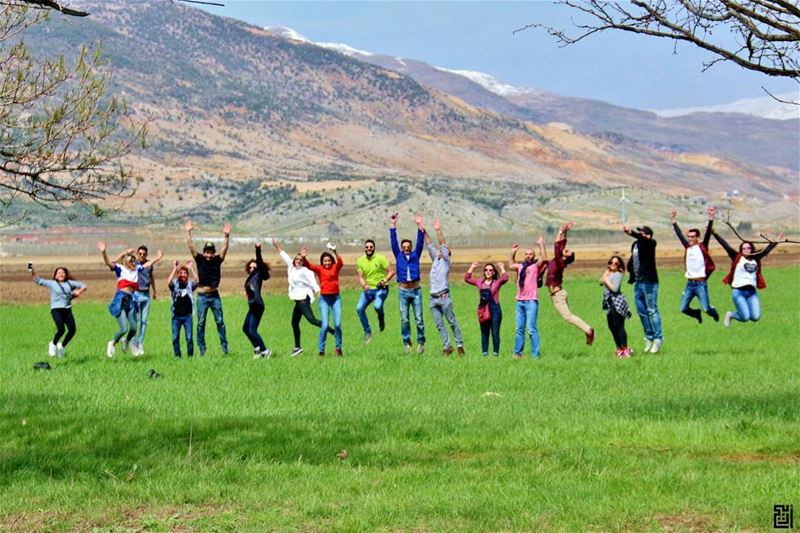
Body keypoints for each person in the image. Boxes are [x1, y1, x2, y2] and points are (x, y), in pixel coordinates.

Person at [98, 241, 163, 358]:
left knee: (133, 328)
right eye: (131, 261)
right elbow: (109, 262)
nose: (133, 263)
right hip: (120, 301)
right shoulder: (120, 269)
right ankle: (112, 343)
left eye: (134, 261)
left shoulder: (136, 270)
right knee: (124, 328)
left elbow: (148, 265)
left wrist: (158, 257)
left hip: (131, 301)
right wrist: (104, 252)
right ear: (126, 262)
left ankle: (126, 341)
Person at [273, 238, 333, 357]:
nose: (299, 261)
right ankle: (297, 347)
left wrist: (318, 291)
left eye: (301, 260)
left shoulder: (305, 270)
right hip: (297, 300)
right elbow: (284, 256)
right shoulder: (291, 267)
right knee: (294, 322)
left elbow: (313, 282)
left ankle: (333, 331)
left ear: (303, 262)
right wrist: (277, 245)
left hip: (303, 299)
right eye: (297, 259)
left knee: (312, 320)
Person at [712, 230, 782, 327]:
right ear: (741, 250)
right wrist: (715, 233)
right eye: (744, 248)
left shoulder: (755, 258)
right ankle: (731, 315)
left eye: (748, 248)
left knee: (755, 317)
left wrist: (775, 241)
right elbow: (725, 246)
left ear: (751, 249)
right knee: (745, 317)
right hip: (739, 292)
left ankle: (739, 314)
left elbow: (766, 251)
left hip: (752, 292)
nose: (746, 250)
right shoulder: (737, 257)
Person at [543, 222, 594, 346]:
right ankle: (587, 330)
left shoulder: (560, 262)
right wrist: (565, 231)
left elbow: (556, 246)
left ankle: (588, 330)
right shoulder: (558, 260)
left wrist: (560, 231)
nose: (566, 250)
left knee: (568, 317)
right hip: (558, 293)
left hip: (558, 295)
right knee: (567, 316)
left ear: (566, 258)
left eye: (568, 252)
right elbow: (560, 245)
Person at [186, 219, 230, 356]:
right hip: (202, 297)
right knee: (200, 323)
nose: (209, 255)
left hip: (214, 295)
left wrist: (226, 236)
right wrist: (188, 232)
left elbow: (224, 249)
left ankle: (224, 346)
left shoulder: (217, 260)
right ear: (204, 252)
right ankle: (202, 349)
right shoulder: (199, 259)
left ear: (213, 253)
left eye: (211, 252)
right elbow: (191, 247)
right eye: (207, 252)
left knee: (220, 321)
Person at [671, 207, 719, 323]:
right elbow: (679, 234)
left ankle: (714, 312)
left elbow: (708, 234)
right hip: (689, 284)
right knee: (683, 308)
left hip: (700, 284)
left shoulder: (702, 246)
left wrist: (711, 217)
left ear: (698, 237)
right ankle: (696, 313)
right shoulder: (687, 247)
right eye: (689, 237)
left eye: (692, 237)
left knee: (706, 308)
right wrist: (673, 220)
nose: (690, 239)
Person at [425, 218, 465, 356]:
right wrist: (423, 230)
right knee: (439, 325)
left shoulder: (446, 262)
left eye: (445, 251)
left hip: (443, 297)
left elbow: (442, 243)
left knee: (452, 321)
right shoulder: (435, 260)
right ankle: (447, 346)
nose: (442, 251)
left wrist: (438, 230)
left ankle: (459, 345)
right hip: (433, 298)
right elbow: (430, 245)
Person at [30, 264, 88, 358]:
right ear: (55, 275)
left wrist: (79, 291)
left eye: (63, 272)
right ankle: (53, 344)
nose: (61, 274)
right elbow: (37, 280)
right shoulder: (52, 283)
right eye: (59, 273)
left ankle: (61, 346)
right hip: (56, 310)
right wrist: (32, 271)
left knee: (72, 330)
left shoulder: (69, 283)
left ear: (65, 275)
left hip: (67, 309)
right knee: (61, 329)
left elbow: (84, 285)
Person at [389, 212, 426, 354]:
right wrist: (392, 225)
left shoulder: (416, 255)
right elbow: (393, 241)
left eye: (407, 246)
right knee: (404, 319)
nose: (405, 248)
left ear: (410, 247)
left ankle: (421, 342)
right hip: (403, 291)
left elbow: (420, 240)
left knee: (419, 319)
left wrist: (419, 224)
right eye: (403, 246)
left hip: (416, 291)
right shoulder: (398, 255)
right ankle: (407, 342)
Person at [623, 223, 663, 353]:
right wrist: (631, 274)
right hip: (638, 283)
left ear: (649, 235)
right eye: (639, 232)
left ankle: (658, 338)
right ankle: (649, 337)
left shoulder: (651, 244)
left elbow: (644, 240)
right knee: (641, 312)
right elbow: (632, 260)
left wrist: (631, 233)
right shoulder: (635, 245)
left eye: (643, 233)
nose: (640, 235)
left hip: (649, 282)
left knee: (652, 310)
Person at [509, 238, 547, 359]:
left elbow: (544, 259)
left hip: (531, 301)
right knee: (519, 329)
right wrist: (513, 252)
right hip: (520, 301)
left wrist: (541, 244)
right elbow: (510, 265)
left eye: (531, 254)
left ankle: (535, 355)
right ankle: (517, 353)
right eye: (526, 254)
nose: (528, 256)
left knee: (531, 329)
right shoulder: (520, 266)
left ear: (533, 256)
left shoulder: (535, 266)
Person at [304, 243, 344, 356]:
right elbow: (309, 266)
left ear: (331, 261)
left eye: (329, 260)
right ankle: (321, 350)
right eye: (325, 261)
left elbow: (341, 262)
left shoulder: (335, 267)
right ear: (322, 262)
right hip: (324, 299)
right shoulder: (320, 269)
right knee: (325, 325)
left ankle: (338, 348)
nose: (327, 263)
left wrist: (335, 251)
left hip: (336, 298)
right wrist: (303, 257)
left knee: (337, 324)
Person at [464, 261, 509, 357]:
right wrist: (472, 267)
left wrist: (502, 267)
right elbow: (467, 278)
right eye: (486, 270)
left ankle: (495, 354)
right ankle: (485, 354)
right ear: (484, 272)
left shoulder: (497, 282)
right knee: (484, 333)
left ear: (493, 272)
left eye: (490, 270)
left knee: (495, 332)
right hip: (483, 310)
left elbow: (505, 278)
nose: (488, 272)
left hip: (495, 310)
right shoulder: (479, 282)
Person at [356, 239, 395, 344]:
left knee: (377, 306)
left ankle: (381, 317)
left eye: (371, 247)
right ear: (364, 248)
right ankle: (367, 331)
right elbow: (360, 277)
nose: (369, 249)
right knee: (359, 308)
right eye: (367, 247)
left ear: (374, 248)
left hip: (380, 289)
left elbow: (391, 271)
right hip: (368, 290)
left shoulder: (380, 258)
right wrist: (364, 284)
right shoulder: (360, 261)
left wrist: (384, 280)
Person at [243, 243, 272, 359]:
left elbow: (259, 262)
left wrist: (258, 249)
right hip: (252, 305)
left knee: (252, 330)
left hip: (257, 305)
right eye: (250, 267)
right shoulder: (250, 277)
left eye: (254, 267)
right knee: (245, 329)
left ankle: (265, 350)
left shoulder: (259, 274)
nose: (252, 269)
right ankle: (257, 349)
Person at [600, 255, 633, 358]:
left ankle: (625, 348)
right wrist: (607, 271)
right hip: (609, 303)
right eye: (612, 262)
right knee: (611, 326)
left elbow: (614, 289)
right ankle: (619, 348)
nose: (613, 265)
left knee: (619, 326)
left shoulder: (618, 274)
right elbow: (600, 282)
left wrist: (606, 280)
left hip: (616, 302)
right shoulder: (609, 273)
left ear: (619, 266)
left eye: (616, 263)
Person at [167, 260, 198, 358]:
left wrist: (191, 268)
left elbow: (197, 280)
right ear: (178, 275)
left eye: (185, 273)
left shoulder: (189, 285)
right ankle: (177, 356)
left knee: (189, 338)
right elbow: (169, 281)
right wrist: (175, 268)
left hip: (187, 316)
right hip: (176, 317)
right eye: (181, 273)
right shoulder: (175, 284)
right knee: (175, 338)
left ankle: (190, 356)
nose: (183, 275)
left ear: (187, 275)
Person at [130, 245, 157, 357]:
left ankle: (140, 342)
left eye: (144, 254)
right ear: (137, 254)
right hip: (136, 294)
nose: (142, 256)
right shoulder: (133, 264)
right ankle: (133, 343)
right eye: (140, 254)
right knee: (135, 321)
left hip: (146, 294)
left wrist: (155, 291)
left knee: (144, 321)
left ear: (146, 255)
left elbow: (151, 277)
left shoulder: (149, 266)